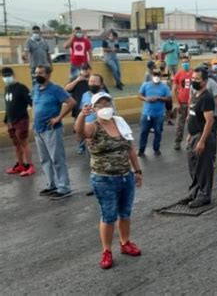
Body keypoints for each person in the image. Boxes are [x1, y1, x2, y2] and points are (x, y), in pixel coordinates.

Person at [75, 92, 142, 270]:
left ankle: (125, 242)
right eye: (100, 105)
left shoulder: (119, 123)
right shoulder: (93, 126)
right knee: (108, 216)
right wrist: (82, 115)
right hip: (104, 179)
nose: (105, 107)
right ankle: (106, 251)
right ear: (94, 108)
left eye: (107, 103)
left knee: (125, 212)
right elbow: (80, 132)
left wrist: (137, 170)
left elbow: (130, 149)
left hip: (125, 176)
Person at [32, 65, 76, 200]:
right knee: (44, 159)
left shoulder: (55, 89)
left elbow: (71, 102)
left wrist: (58, 118)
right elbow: (35, 105)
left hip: (52, 129)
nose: (37, 75)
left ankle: (64, 187)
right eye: (36, 73)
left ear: (48, 75)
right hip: (38, 129)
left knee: (57, 159)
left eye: (41, 73)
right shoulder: (35, 88)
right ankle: (52, 185)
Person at [179, 67, 216, 208]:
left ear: (205, 81)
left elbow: (209, 121)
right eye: (192, 78)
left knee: (203, 168)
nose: (193, 81)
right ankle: (194, 192)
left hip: (202, 136)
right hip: (194, 135)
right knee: (193, 166)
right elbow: (193, 116)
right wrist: (189, 134)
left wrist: (202, 141)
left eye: (197, 79)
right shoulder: (195, 94)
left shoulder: (206, 97)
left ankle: (204, 195)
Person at [3, 67, 35, 176]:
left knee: (24, 142)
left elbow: (32, 102)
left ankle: (29, 166)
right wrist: (7, 119)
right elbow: (8, 106)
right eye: (4, 76)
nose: (6, 78)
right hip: (11, 121)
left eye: (8, 75)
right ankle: (19, 165)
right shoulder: (6, 89)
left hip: (21, 119)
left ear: (13, 75)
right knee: (16, 144)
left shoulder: (22, 88)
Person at [137, 70, 171, 157]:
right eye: (155, 75)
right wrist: (146, 99)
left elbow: (168, 98)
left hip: (159, 114)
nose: (156, 76)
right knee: (144, 132)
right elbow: (139, 95)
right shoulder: (146, 85)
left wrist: (159, 98)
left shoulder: (164, 87)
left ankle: (156, 149)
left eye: (158, 75)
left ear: (160, 76)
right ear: (152, 76)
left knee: (158, 132)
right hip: (146, 114)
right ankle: (141, 150)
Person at [65, 63, 93, 155]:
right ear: (80, 70)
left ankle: (92, 144)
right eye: (83, 69)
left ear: (90, 69)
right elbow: (67, 89)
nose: (85, 71)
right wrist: (77, 80)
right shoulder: (76, 80)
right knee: (79, 129)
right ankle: (81, 146)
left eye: (87, 69)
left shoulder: (93, 80)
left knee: (92, 127)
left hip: (91, 109)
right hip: (78, 109)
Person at [172, 56, 193, 150]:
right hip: (182, 103)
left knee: (192, 123)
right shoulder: (179, 74)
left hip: (192, 103)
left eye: (186, 61)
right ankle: (177, 142)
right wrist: (176, 103)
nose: (185, 63)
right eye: (183, 62)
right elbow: (174, 90)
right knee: (180, 124)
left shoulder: (194, 73)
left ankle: (191, 142)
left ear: (189, 62)